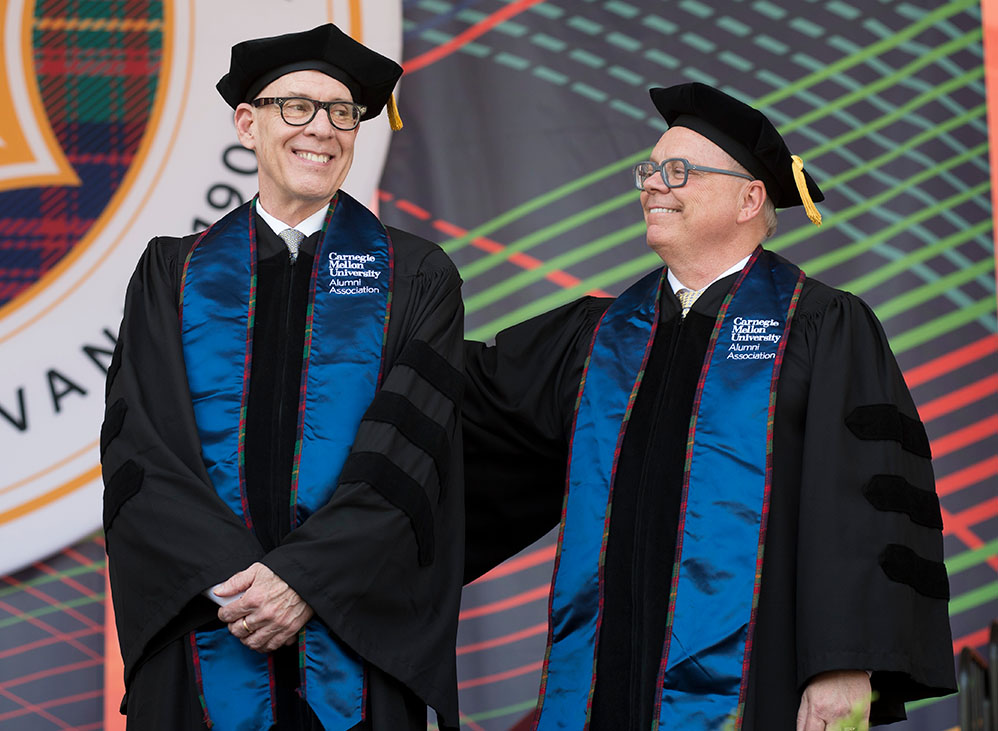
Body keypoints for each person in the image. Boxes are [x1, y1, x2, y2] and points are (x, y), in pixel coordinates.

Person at [463, 83, 956, 729]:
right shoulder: (600, 335)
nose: (654, 185)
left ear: (750, 197)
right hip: (609, 673)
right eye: (649, 170)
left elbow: (861, 504)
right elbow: (469, 401)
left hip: (761, 677)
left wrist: (845, 663)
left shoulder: (821, 325)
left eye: (679, 172)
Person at [101, 24, 464, 730]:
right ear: (248, 122)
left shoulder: (417, 276)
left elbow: (406, 461)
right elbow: (143, 450)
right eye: (297, 106)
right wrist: (243, 585)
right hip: (206, 627)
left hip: (353, 639)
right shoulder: (172, 274)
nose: (322, 129)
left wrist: (304, 577)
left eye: (342, 112)